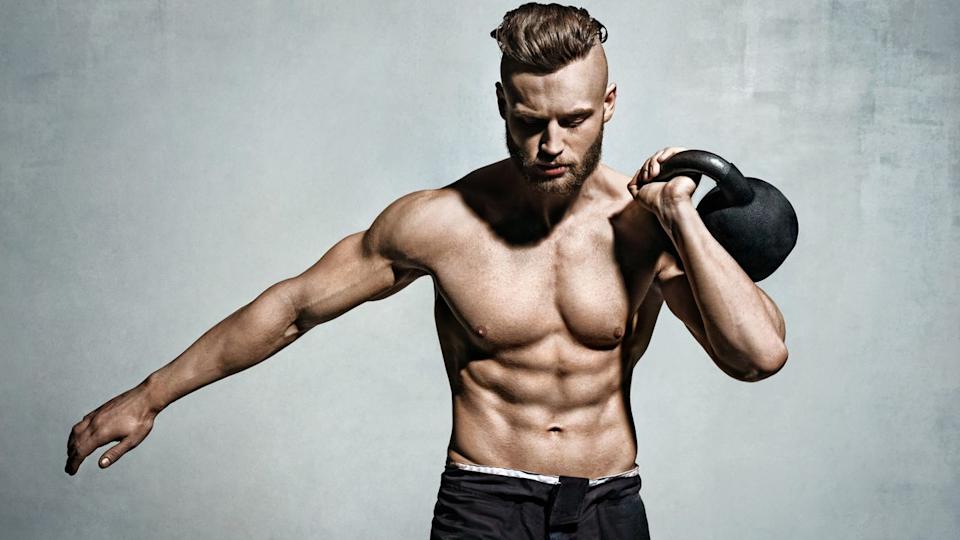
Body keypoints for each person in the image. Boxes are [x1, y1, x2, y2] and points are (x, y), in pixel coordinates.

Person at [65, 3, 788, 538]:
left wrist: (681, 216)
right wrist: (151, 394)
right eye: (529, 122)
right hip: (483, 506)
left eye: (573, 120)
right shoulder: (439, 223)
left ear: (609, 106)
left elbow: (759, 357)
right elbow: (293, 309)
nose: (550, 145)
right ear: (502, 102)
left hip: (609, 507)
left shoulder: (647, 228)